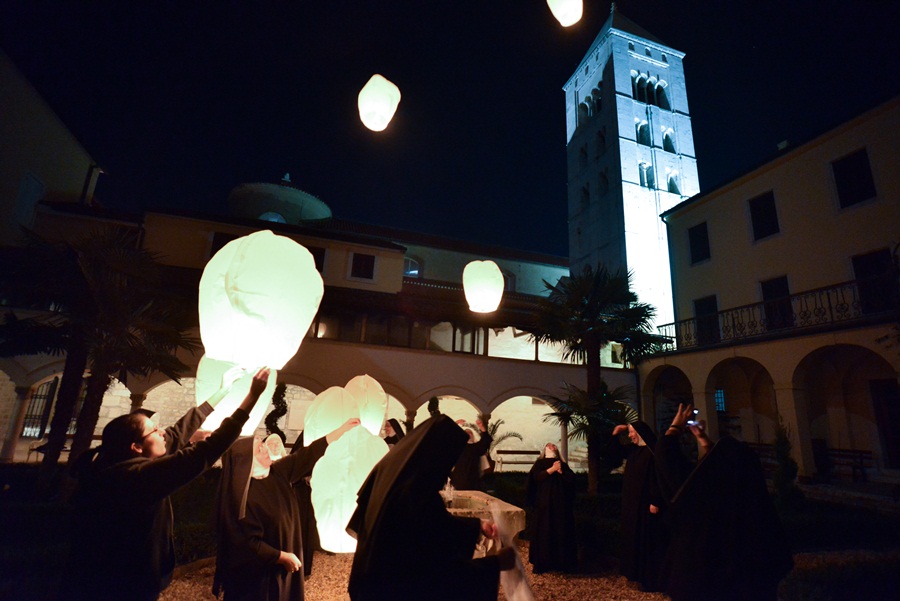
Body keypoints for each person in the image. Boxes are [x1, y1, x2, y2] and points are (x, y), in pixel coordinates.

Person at [66, 367, 271, 601]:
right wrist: (251, 397)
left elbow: (177, 433)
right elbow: (203, 454)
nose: (162, 432)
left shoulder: (118, 460)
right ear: (136, 447)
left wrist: (221, 391)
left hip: (121, 580)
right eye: (154, 430)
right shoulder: (134, 478)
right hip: (120, 585)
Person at [347, 414, 516, 601]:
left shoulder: (395, 481)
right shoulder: (413, 494)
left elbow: (433, 524)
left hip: (369, 584)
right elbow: (436, 574)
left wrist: (477, 526)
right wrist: (495, 564)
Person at [655, 404, 793, 601]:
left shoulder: (706, 501)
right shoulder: (753, 508)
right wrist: (704, 441)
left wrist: (675, 427)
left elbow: (667, 460)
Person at [212, 417, 359, 601]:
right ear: (247, 462)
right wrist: (282, 557)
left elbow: (308, 454)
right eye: (259, 449)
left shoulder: (276, 472)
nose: (266, 449)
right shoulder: (243, 497)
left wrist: (341, 429)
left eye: (262, 444)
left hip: (286, 563)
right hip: (258, 577)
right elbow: (247, 544)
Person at [609, 421, 665, 591]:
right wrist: (615, 434)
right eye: (630, 432)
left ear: (641, 433)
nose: (630, 435)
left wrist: (655, 500)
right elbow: (614, 456)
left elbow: (659, 477)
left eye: (632, 432)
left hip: (646, 505)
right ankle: (635, 574)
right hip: (632, 504)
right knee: (633, 538)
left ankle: (649, 579)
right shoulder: (635, 451)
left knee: (647, 540)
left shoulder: (652, 452)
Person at [525, 442, 577, 574]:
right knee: (543, 532)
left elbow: (572, 480)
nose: (552, 446)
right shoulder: (540, 464)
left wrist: (560, 471)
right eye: (549, 445)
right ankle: (542, 563)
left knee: (560, 531)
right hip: (544, 506)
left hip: (560, 506)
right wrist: (551, 470)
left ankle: (561, 563)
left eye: (554, 445)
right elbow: (536, 477)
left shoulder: (562, 465)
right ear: (545, 449)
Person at [449, 418, 492, 490]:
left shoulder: (476, 447)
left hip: (473, 480)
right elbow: (448, 438)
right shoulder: (457, 446)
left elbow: (486, 441)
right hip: (458, 480)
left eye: (470, 433)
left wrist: (482, 427)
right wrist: (455, 424)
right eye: (466, 433)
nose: (468, 434)